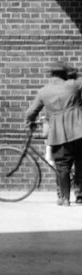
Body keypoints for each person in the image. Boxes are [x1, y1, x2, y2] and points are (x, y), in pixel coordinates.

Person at [25, 62, 82, 207]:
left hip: (58, 133)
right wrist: (74, 74)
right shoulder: (73, 85)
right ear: (64, 74)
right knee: (80, 162)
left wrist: (30, 121)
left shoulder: (43, 91)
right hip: (79, 129)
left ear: (51, 75)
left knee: (62, 165)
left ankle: (64, 198)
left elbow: (31, 112)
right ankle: (80, 195)